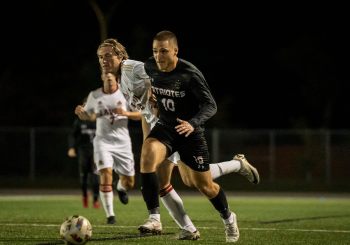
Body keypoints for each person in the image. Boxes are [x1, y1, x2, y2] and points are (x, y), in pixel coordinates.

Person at [96, 38, 259, 241]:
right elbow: (146, 113)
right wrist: (150, 141)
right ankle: (182, 227)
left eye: (108, 55)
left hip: (179, 125)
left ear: (120, 56)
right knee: (162, 179)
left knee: (197, 181)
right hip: (162, 128)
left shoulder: (130, 68)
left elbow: (156, 71)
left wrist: (151, 87)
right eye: (101, 57)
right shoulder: (120, 82)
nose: (104, 60)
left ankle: (236, 165)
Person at [75, 71, 143, 224]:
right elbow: (90, 116)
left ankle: (120, 188)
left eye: (113, 77)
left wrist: (125, 113)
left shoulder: (125, 93)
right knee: (105, 175)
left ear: (117, 79)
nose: (110, 79)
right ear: (102, 77)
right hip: (102, 142)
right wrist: (82, 114)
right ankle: (110, 216)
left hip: (123, 143)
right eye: (107, 77)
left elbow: (141, 114)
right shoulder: (95, 95)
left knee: (129, 183)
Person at [68, 107, 100, 209]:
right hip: (83, 152)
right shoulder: (79, 121)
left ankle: (95, 200)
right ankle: (85, 196)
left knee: (96, 179)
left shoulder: (99, 120)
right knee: (84, 177)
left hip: (96, 153)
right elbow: (72, 135)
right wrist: (71, 148)